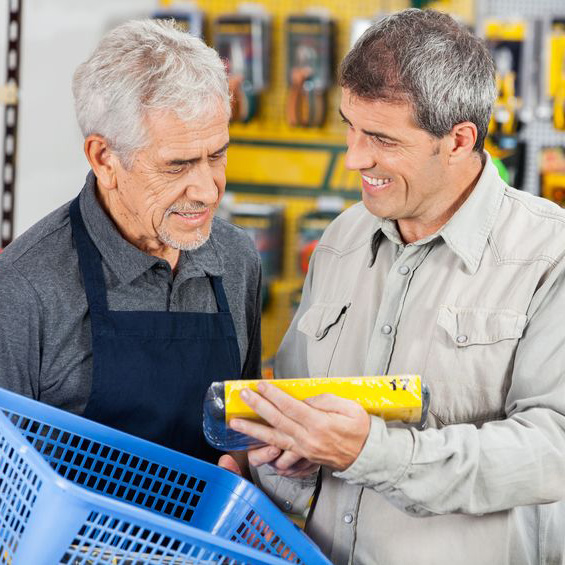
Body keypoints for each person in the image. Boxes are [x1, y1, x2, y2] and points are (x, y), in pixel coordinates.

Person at [219, 9, 565, 564]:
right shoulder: (340, 240)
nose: (354, 157)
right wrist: (288, 450)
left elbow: (553, 448)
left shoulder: (550, 255)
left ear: (458, 140)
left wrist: (371, 453)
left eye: (380, 138)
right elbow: (302, 401)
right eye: (349, 127)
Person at [0, 19, 262, 464]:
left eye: (216, 156)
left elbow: (246, 436)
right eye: (177, 166)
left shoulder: (236, 258)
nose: (207, 190)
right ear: (104, 158)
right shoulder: (25, 287)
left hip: (208, 533)